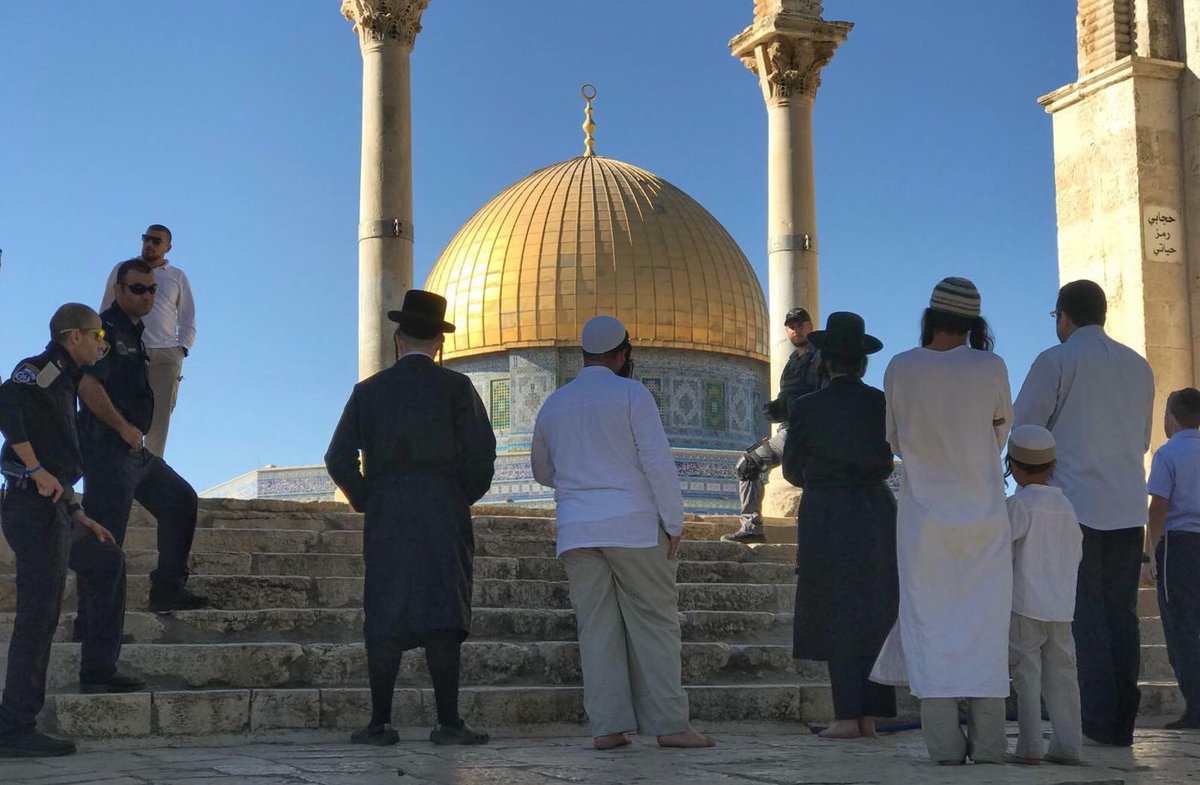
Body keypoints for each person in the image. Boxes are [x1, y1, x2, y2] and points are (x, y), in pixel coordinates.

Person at [532, 315, 714, 751]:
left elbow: (541, 471)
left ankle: (608, 727)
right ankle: (670, 725)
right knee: (655, 625)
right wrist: (674, 522)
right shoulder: (632, 394)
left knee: (595, 628)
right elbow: (657, 463)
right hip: (633, 528)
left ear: (583, 355)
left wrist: (580, 484)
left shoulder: (554, 403)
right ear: (623, 354)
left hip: (577, 531)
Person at [325, 289, 496, 747]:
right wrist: (456, 496)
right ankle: (448, 723)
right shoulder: (458, 389)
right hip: (443, 514)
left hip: (389, 515)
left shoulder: (368, 392)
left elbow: (337, 458)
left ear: (398, 338)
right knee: (444, 610)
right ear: (439, 343)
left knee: (386, 610)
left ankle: (380, 723)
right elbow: (483, 457)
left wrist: (369, 498)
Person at [870, 277, 1013, 765]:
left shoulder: (900, 367)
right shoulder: (991, 366)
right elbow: (1000, 433)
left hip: (923, 525)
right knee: (984, 629)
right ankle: (990, 747)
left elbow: (894, 439)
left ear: (931, 317)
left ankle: (945, 747)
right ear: (973, 322)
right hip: (985, 520)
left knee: (930, 627)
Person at [1013, 279, 1154, 747]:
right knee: (1122, 615)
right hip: (1128, 506)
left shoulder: (1056, 360)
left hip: (1073, 506)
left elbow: (1026, 429)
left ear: (1063, 316)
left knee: (1085, 614)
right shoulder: (1139, 366)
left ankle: (1095, 720)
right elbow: (1142, 438)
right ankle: (1121, 722)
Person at [0, 304, 142, 758]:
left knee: (105, 558)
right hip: (31, 508)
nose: (103, 343)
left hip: (58, 511)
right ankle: (14, 726)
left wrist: (79, 514)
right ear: (73, 336)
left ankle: (99, 666)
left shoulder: (68, 382)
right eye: (98, 336)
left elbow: (60, 462)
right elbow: (7, 403)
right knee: (39, 615)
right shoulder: (42, 369)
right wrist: (33, 468)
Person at [781, 312, 897, 740]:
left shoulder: (807, 407)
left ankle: (847, 716)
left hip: (827, 513)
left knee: (837, 610)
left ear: (826, 362)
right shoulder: (880, 403)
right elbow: (887, 458)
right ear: (863, 364)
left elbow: (791, 469)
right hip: (874, 512)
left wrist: (823, 478)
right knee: (874, 608)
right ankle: (869, 717)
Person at [78, 259, 207, 615]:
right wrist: (122, 427)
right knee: (106, 536)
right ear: (118, 290)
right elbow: (87, 384)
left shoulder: (137, 333)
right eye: (138, 289)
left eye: (152, 289)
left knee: (180, 500)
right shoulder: (104, 331)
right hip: (107, 449)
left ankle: (167, 589)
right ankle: (91, 624)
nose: (147, 296)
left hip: (135, 452)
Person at [1004, 425, 1083, 766]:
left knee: (1027, 677)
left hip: (1026, 605)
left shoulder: (1018, 506)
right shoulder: (1066, 506)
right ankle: (1068, 746)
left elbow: (1003, 552)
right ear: (1052, 465)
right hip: (1062, 607)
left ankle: (1030, 747)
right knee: (1063, 678)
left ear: (1013, 466)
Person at [724, 307, 823, 543]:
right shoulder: (792, 362)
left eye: (800, 324)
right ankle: (751, 527)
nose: (796, 330)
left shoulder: (821, 359)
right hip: (788, 433)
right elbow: (786, 397)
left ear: (810, 326)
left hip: (811, 432)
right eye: (792, 326)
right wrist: (777, 409)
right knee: (748, 465)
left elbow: (823, 397)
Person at [101, 224, 195, 458]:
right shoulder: (124, 269)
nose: (150, 244)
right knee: (120, 408)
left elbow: (187, 317)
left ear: (167, 247)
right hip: (126, 349)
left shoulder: (176, 276)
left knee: (159, 417)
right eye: (146, 238)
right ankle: (120, 462)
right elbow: (106, 306)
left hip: (165, 354)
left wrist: (181, 350)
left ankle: (151, 469)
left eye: (156, 241)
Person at [1145, 387, 1200, 730]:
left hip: (1179, 546)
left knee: (1182, 628)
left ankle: (1196, 705)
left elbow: (1159, 506)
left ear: (1171, 417)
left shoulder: (1168, 454)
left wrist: (1150, 553)